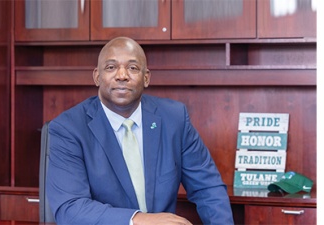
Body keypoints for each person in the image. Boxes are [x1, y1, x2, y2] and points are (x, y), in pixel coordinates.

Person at [46, 36, 234, 225]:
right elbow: (70, 208)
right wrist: (139, 220)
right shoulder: (68, 129)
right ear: (97, 76)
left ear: (146, 78)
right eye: (111, 67)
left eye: (133, 68)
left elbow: (208, 189)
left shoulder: (174, 119)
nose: (122, 75)